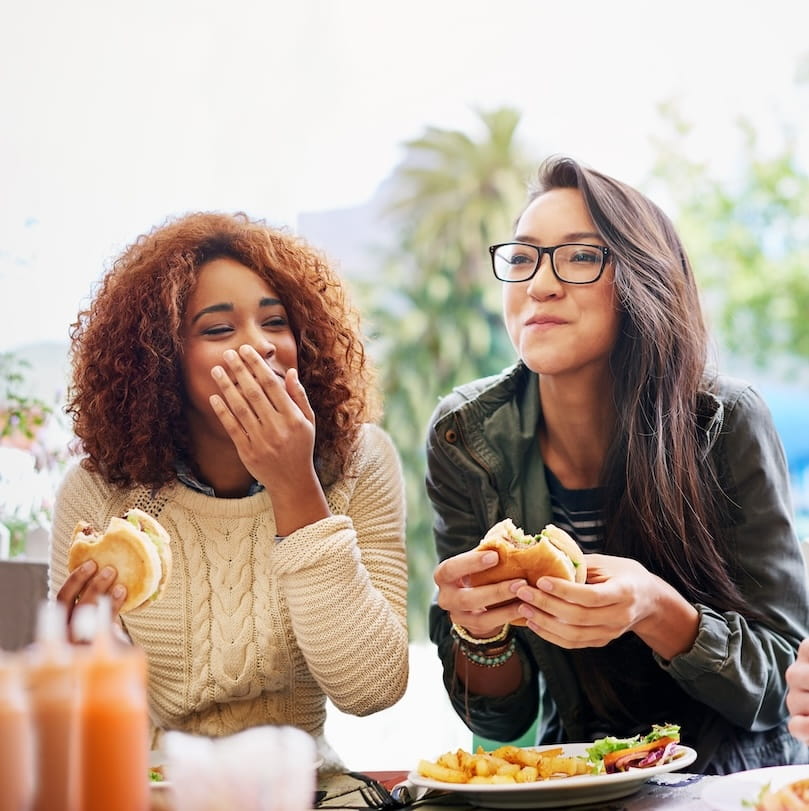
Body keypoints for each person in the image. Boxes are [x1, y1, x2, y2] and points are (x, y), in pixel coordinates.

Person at [426, 155, 809, 774]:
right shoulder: (464, 436)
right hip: (575, 776)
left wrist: (659, 610)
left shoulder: (724, 419)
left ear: (641, 281)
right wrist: (478, 632)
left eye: (579, 257)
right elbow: (498, 719)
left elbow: (778, 688)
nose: (538, 284)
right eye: (522, 258)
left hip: (734, 781)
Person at [49, 211, 409, 769]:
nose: (259, 347)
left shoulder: (359, 463)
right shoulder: (101, 493)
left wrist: (295, 485)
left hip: (308, 790)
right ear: (161, 360)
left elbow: (372, 688)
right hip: (158, 790)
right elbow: (86, 716)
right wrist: (90, 661)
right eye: (219, 330)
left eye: (276, 322)